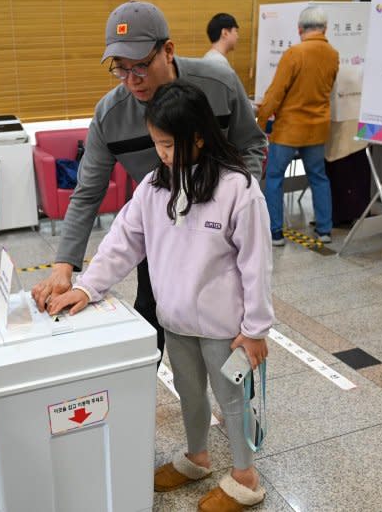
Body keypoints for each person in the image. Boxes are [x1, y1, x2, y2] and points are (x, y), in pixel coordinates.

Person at [48, 81, 273, 512]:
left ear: (200, 137)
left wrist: (256, 329)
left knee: (232, 400)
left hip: (226, 327)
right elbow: (123, 241)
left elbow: (257, 265)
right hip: (175, 319)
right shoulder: (154, 186)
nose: (163, 154)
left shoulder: (238, 189)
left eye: (170, 144)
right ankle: (197, 457)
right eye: (157, 144)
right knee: (189, 393)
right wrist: (86, 286)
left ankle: (245, 475)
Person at [31, 0, 265, 370]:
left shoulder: (218, 84)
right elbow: (88, 191)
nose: (132, 79)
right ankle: (141, 395)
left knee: (231, 318)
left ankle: (239, 405)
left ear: (168, 50)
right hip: (160, 230)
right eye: (120, 69)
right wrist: (65, 265)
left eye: (141, 65)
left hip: (219, 231)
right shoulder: (110, 115)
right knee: (150, 312)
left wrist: (237, 198)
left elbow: (251, 144)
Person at [257, 5, 338, 247]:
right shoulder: (333, 54)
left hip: (289, 129)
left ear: (300, 29)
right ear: (325, 28)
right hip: (317, 128)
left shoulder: (294, 54)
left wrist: (261, 121)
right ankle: (324, 230)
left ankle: (276, 233)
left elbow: (276, 93)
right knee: (319, 178)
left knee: (273, 178)